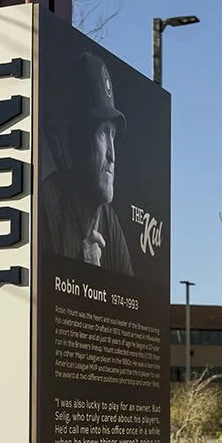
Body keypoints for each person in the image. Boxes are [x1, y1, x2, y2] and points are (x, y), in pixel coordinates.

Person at [40, 52, 134, 276]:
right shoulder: (47, 203)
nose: (112, 154)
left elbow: (129, 306)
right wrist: (89, 273)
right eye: (102, 134)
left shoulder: (108, 219)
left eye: (113, 136)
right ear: (79, 141)